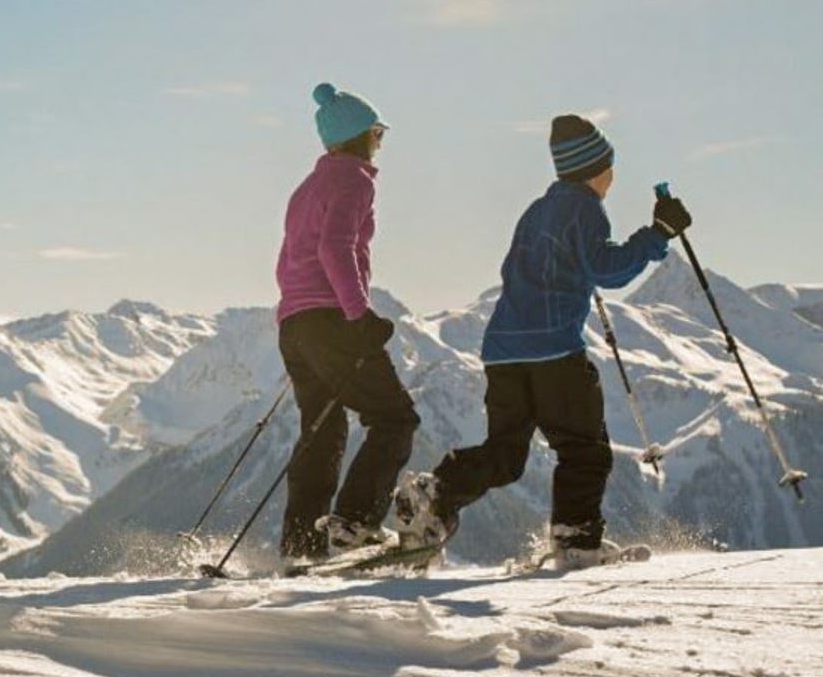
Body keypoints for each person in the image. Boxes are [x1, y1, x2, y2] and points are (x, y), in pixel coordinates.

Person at [393, 115, 690, 568]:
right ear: (595, 168)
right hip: (553, 351)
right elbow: (606, 269)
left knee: (506, 453)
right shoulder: (584, 207)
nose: (614, 174)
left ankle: (438, 492)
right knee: (583, 449)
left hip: (503, 351)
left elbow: (520, 271)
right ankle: (575, 539)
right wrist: (658, 235)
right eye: (610, 164)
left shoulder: (535, 211)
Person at [271, 82, 420, 561]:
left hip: (295, 323)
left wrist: (300, 316)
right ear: (361, 134)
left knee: (322, 430)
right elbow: (335, 247)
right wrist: (358, 315)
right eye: (378, 132)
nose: (380, 141)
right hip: (332, 319)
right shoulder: (355, 178)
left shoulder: (307, 187)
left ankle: (303, 542)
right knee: (395, 418)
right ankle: (354, 523)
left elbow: (289, 258)